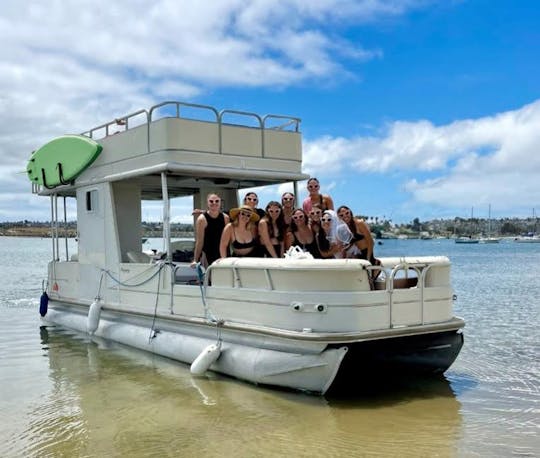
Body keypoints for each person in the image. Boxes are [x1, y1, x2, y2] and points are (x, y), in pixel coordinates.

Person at [192, 193, 229, 267]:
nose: (214, 203)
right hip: (208, 255)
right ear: (207, 203)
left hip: (223, 255)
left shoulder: (226, 218)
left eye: (217, 201)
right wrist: (195, 260)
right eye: (211, 201)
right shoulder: (201, 219)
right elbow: (200, 242)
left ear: (220, 202)